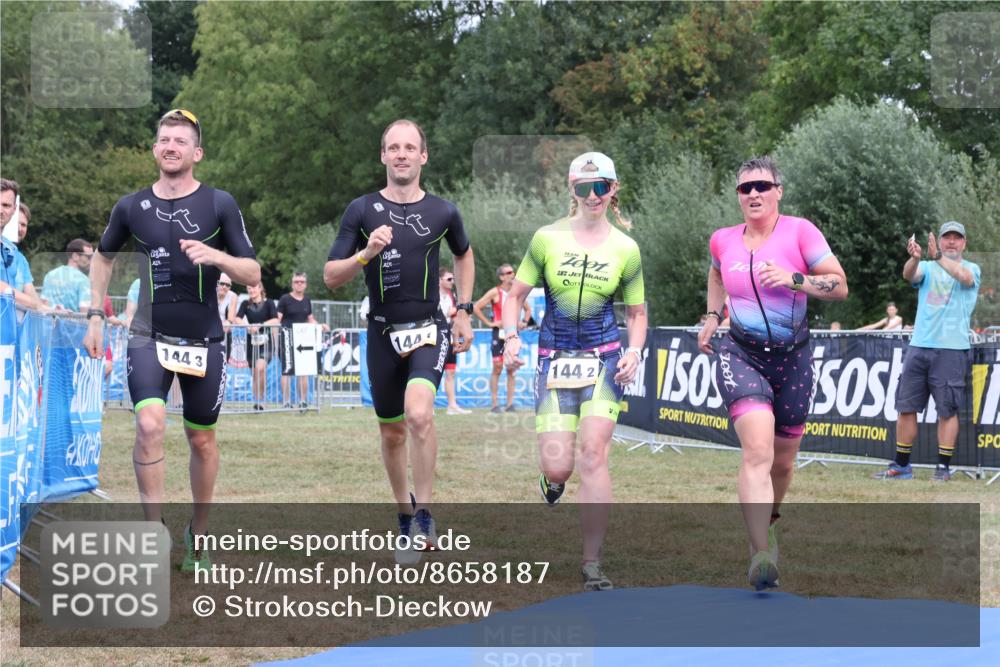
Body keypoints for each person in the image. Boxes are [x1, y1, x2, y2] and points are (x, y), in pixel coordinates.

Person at [83, 108, 260, 573]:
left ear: (196, 152)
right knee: (148, 426)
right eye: (164, 139)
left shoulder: (219, 203)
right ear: (155, 148)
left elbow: (253, 272)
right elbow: (101, 259)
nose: (171, 147)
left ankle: (199, 533)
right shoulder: (131, 206)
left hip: (204, 337)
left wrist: (216, 256)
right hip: (147, 334)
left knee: (201, 441)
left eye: (181, 141)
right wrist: (94, 314)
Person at [323, 118, 474, 558]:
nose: (402, 154)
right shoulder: (362, 210)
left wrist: (463, 311)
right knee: (392, 433)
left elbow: (464, 255)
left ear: (423, 156)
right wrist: (366, 253)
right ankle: (404, 515)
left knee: (419, 414)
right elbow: (331, 277)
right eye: (394, 147)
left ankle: (425, 513)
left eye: (410, 147)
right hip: (382, 333)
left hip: (429, 329)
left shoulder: (443, 211)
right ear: (383, 156)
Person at [696, 156, 848, 591]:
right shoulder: (723, 240)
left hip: (793, 358)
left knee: (782, 460)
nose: (755, 194)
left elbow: (839, 285)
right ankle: (760, 552)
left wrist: (795, 279)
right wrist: (712, 315)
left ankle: (772, 520)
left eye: (763, 185)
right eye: (746, 188)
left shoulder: (801, 231)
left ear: (779, 190)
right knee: (757, 451)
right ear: (738, 196)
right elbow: (715, 272)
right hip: (741, 354)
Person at [501, 152, 646, 591]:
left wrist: (635, 351)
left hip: (605, 359)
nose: (593, 195)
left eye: (601, 186)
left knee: (594, 453)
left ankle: (592, 562)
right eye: (584, 188)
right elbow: (514, 296)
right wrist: (510, 336)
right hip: (554, 358)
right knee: (561, 466)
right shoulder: (546, 239)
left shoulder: (626, 248)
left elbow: (637, 313)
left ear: (613, 189)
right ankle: (551, 479)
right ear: (571, 190)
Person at [873, 222, 980, 482]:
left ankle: (942, 469)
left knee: (947, 411)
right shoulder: (929, 267)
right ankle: (901, 466)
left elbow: (964, 278)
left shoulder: (972, 268)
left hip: (952, 349)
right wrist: (914, 258)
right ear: (940, 240)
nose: (952, 242)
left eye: (957, 238)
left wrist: (938, 257)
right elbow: (909, 275)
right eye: (947, 238)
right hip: (919, 346)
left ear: (964, 243)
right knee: (906, 407)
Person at [475, 263, 533, 413]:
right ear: (501, 277)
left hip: (512, 334)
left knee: (511, 368)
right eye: (507, 273)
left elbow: (528, 309)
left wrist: (524, 322)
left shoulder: (516, 292)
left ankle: (510, 404)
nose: (512, 275)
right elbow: (476, 307)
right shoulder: (495, 292)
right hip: (498, 333)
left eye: (512, 272)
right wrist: (490, 323)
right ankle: (495, 404)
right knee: (497, 368)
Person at [277, 272, 326, 409]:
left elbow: (310, 319)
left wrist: (320, 325)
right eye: (296, 281)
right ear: (292, 283)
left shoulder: (306, 300)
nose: (299, 284)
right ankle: (286, 402)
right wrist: (276, 337)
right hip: (286, 338)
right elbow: (277, 319)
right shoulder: (285, 299)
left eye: (302, 282)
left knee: (303, 371)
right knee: (286, 371)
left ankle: (303, 401)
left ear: (305, 284)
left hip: (302, 340)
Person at [0, 179, 41, 310]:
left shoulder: (11, 250)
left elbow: (33, 299)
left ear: (14, 209)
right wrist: (31, 303)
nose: (0, 210)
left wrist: (53, 311)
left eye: (6, 205)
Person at [238, 282, 278, 411]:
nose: (251, 290)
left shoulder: (269, 303)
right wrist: (247, 326)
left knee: (261, 368)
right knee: (255, 372)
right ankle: (257, 401)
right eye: (248, 288)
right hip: (252, 343)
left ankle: (262, 400)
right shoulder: (245, 304)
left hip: (266, 343)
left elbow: (276, 320)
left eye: (253, 287)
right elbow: (237, 319)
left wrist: (260, 324)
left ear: (260, 288)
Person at [439, 267, 470, 415]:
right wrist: (451, 313)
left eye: (453, 279)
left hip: (450, 338)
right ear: (439, 280)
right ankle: (427, 406)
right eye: (449, 279)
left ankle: (452, 406)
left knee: (450, 373)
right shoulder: (433, 295)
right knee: (431, 374)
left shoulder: (452, 295)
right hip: (435, 339)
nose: (452, 282)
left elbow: (455, 316)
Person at [40, 239, 93, 312]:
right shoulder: (83, 280)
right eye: (89, 257)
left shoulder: (50, 275)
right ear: (75, 256)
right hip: (73, 323)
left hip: (49, 322)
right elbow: (85, 313)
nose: (91, 260)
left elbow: (42, 304)